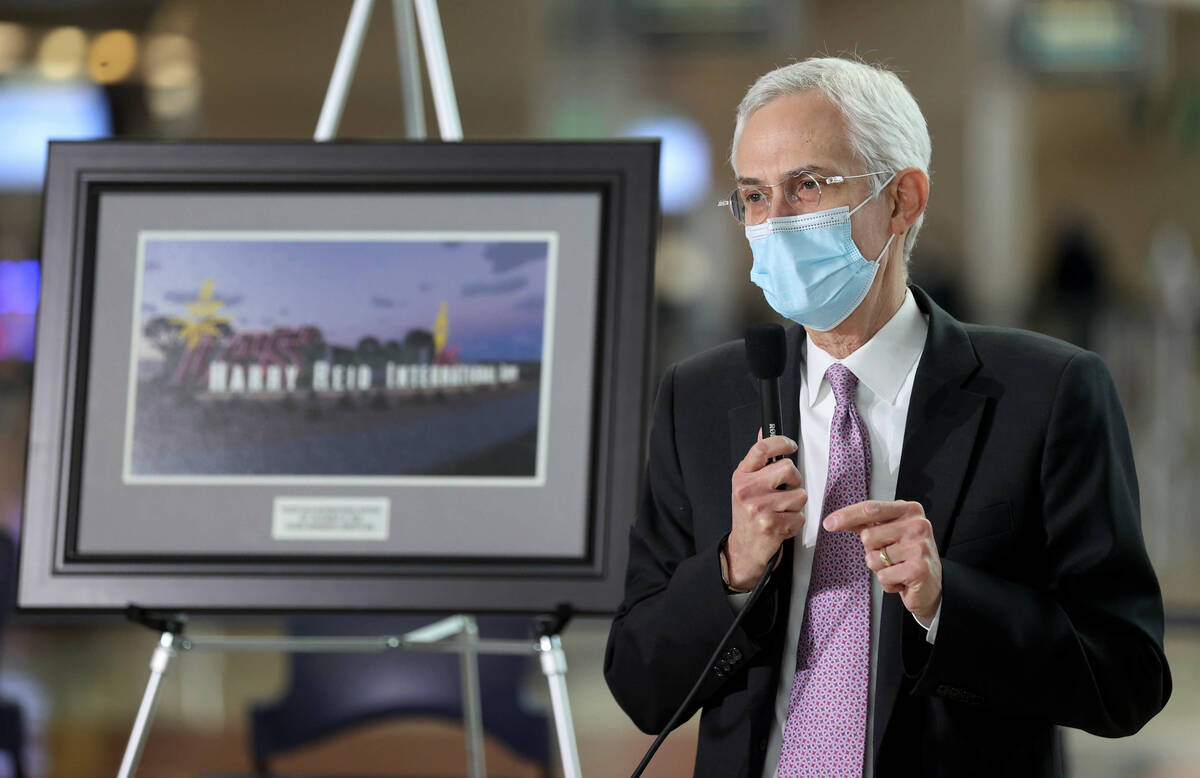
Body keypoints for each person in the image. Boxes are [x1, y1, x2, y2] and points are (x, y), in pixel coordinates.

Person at [604, 57, 1171, 778]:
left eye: (807, 185)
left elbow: (1128, 678)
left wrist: (946, 603)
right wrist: (734, 568)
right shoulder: (703, 397)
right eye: (753, 195)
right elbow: (638, 685)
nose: (773, 222)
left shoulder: (1049, 393)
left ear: (901, 200)